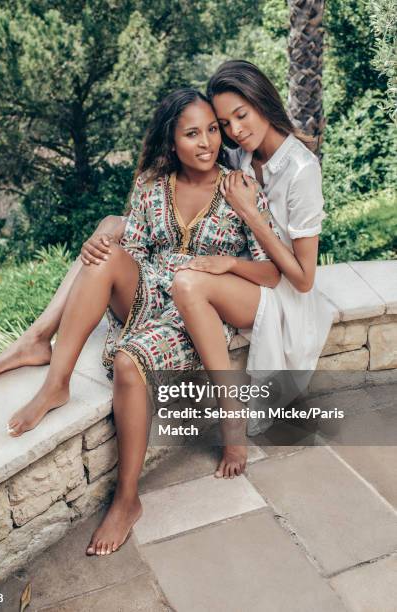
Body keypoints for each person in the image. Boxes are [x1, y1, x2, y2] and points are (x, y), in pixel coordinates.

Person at [0, 88, 280, 555]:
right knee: (104, 255)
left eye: (213, 130)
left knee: (129, 363)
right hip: (146, 295)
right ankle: (56, 382)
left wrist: (225, 264)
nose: (207, 143)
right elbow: (133, 251)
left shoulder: (238, 188)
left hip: (194, 313)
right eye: (192, 133)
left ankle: (127, 498)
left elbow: (271, 272)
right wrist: (105, 248)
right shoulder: (153, 184)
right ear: (171, 141)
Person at [172, 60, 335, 435]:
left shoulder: (301, 170)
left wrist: (251, 216)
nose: (236, 131)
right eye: (225, 124)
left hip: (283, 295)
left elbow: (303, 279)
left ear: (262, 101)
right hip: (248, 277)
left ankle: (232, 417)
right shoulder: (239, 156)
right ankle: (39, 340)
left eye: (241, 116)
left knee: (191, 283)